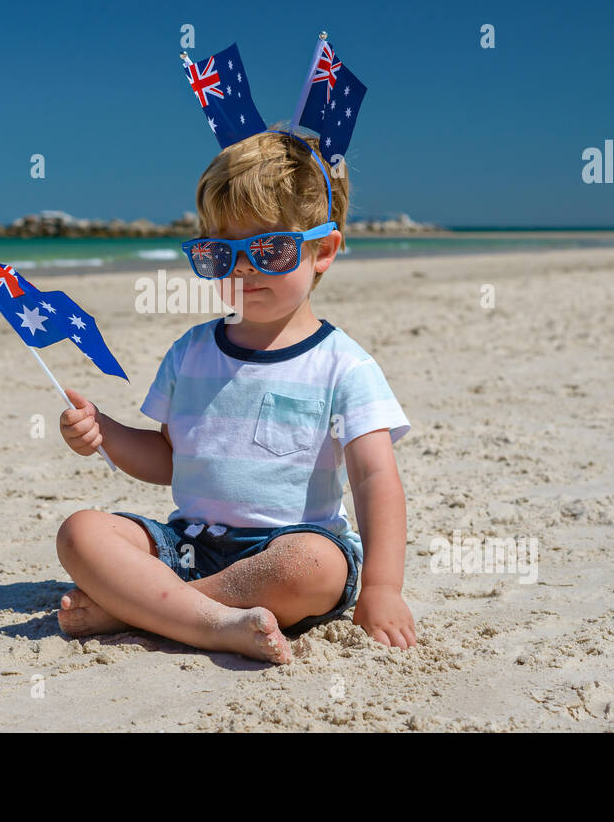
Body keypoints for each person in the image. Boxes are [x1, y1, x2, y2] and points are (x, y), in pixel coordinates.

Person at [55, 126, 415, 664]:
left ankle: (152, 611)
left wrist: (382, 589)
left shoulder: (343, 365)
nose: (242, 265)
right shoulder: (191, 352)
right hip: (191, 546)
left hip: (289, 546)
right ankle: (209, 619)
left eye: (269, 248)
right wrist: (104, 433)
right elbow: (169, 459)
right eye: (219, 252)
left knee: (312, 566)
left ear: (323, 250)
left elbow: (374, 478)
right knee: (80, 532)